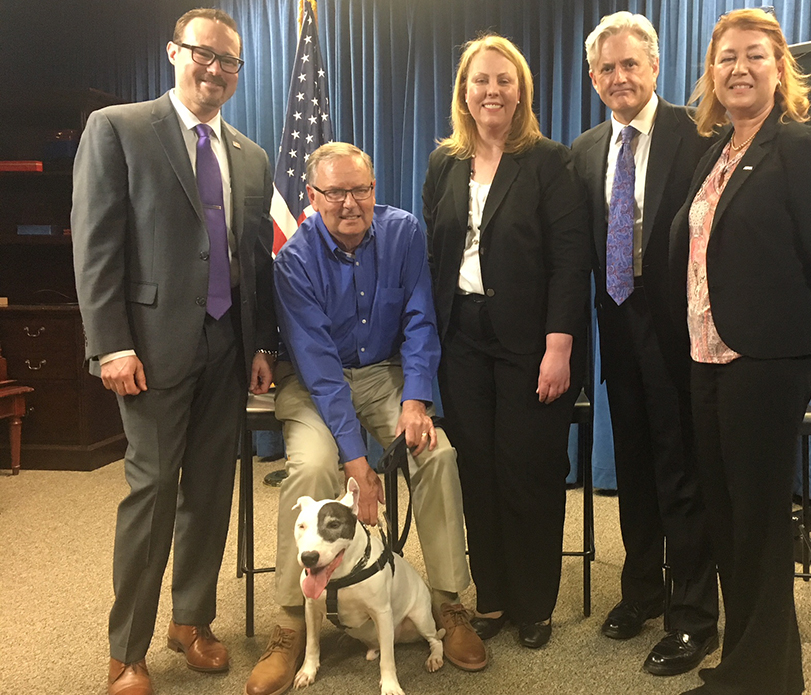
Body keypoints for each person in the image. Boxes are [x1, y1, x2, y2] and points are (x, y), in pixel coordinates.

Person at [70, 9, 277, 695]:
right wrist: (111, 344)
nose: (215, 69)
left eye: (229, 62)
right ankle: (125, 649)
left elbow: (253, 260)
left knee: (211, 492)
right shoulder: (120, 129)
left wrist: (259, 345)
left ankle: (190, 621)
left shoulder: (249, 155)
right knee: (154, 491)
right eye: (203, 54)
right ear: (174, 53)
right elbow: (95, 246)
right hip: (149, 351)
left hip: (227, 346)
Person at [666, 9, 811, 694]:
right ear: (712, 76)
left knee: (759, 522)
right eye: (726, 59)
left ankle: (760, 678)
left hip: (768, 362)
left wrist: (810, 355)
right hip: (706, 357)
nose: (739, 69)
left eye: (754, 56)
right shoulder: (712, 150)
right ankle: (754, 666)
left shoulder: (803, 146)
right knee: (727, 517)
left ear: (780, 70)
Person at [244, 142, 486, 695]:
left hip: (384, 376)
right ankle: (288, 624)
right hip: (313, 386)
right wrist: (358, 466)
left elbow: (421, 320)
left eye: (362, 190)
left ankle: (448, 605)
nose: (351, 203)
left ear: (375, 189)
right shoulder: (295, 258)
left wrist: (416, 400)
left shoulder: (402, 232)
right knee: (309, 472)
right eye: (335, 192)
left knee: (437, 454)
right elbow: (321, 370)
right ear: (312, 196)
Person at [422, 34, 590, 650]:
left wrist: (559, 345)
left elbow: (571, 261)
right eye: (480, 80)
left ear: (521, 91)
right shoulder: (443, 162)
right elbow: (437, 257)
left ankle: (534, 600)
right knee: (478, 470)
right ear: (464, 93)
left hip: (532, 342)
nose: (492, 91)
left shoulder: (550, 160)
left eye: (504, 80)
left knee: (529, 470)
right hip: (461, 339)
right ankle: (491, 596)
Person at [570, 11, 719, 677]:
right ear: (594, 78)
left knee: (681, 471)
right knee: (632, 465)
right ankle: (642, 591)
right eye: (607, 68)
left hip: (683, 333)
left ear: (655, 68)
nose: (619, 77)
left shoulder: (699, 135)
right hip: (618, 330)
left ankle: (694, 617)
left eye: (631, 64)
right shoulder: (584, 151)